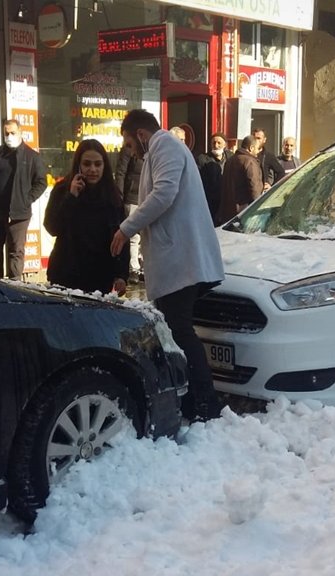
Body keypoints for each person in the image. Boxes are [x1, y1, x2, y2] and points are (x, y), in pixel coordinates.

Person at [110, 109, 225, 422]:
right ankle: (192, 401)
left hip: (181, 261)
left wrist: (126, 228)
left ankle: (204, 403)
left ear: (141, 135)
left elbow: (164, 194)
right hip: (177, 260)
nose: (131, 152)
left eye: (130, 145)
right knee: (176, 330)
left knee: (180, 331)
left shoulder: (165, 145)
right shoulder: (160, 150)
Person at [43, 139, 129, 294]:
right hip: (66, 275)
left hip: (99, 277)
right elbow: (52, 227)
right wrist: (71, 197)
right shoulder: (63, 189)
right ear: (78, 165)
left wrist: (121, 275)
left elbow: (122, 236)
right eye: (87, 164)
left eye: (98, 164)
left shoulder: (112, 196)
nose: (92, 169)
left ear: (104, 166)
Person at [0, 118, 46, 280]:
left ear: (20, 132)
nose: (9, 136)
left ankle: (14, 286)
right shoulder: (0, 152)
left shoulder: (31, 156)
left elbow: (41, 182)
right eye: (6, 133)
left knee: (15, 251)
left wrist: (26, 200)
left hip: (18, 214)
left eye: (12, 133)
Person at [216, 134, 262, 226]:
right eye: (257, 149)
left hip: (228, 211)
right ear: (251, 148)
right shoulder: (250, 161)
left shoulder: (230, 160)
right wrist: (258, 209)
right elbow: (254, 188)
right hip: (244, 211)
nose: (258, 152)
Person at [115, 143, 144, 280]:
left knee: (143, 235)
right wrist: (120, 196)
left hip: (144, 198)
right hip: (132, 198)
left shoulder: (149, 151)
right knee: (133, 236)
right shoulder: (128, 150)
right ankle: (134, 269)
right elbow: (120, 173)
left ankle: (141, 267)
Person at [197, 133, 231, 221]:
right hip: (211, 203)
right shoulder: (202, 159)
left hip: (227, 201)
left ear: (225, 144)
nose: (216, 145)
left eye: (219, 143)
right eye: (213, 143)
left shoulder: (231, 157)